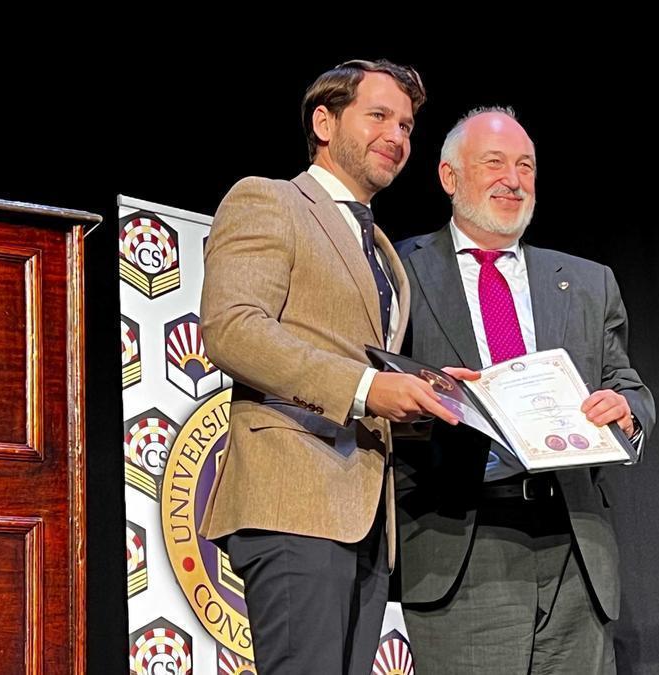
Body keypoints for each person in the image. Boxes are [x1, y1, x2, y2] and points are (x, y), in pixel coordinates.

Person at [198, 59, 458, 674]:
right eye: (378, 116)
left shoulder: (384, 250)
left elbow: (352, 352)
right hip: (294, 498)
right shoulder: (270, 199)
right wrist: (368, 388)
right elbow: (232, 329)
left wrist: (434, 390)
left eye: (407, 125)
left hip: (367, 516)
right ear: (324, 120)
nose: (397, 136)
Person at [394, 107, 656, 673]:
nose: (513, 180)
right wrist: (425, 395)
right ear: (449, 177)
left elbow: (628, 386)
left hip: (574, 545)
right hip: (461, 541)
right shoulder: (398, 271)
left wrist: (627, 410)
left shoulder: (587, 281)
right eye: (494, 163)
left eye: (526, 166)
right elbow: (372, 387)